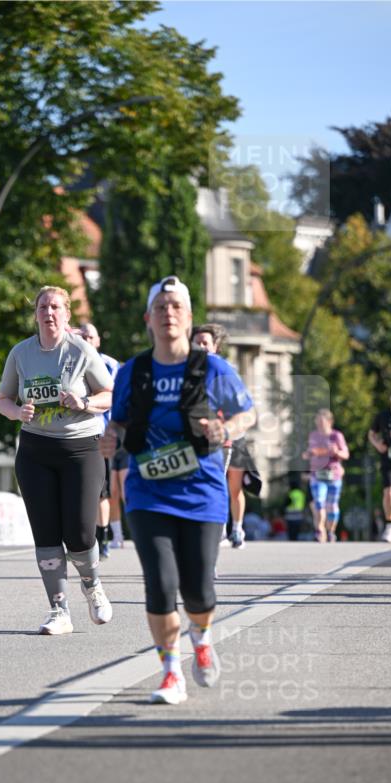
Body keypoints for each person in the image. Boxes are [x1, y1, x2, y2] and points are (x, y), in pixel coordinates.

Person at [102, 276, 254, 705]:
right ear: (148, 319)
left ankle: (201, 638)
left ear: (188, 319)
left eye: (176, 307)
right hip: (148, 491)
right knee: (160, 585)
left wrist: (225, 429)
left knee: (199, 592)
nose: (168, 313)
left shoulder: (212, 368)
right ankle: (171, 672)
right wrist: (111, 437)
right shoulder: (133, 372)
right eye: (161, 307)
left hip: (202, 492)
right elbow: (120, 422)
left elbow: (247, 413)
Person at [0, 285, 114, 635]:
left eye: (56, 307)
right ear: (35, 314)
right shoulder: (21, 353)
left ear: (66, 314)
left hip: (81, 449)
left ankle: (92, 585)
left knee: (79, 532)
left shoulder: (81, 350)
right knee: (46, 533)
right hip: (35, 451)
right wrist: (17, 411)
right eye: (43, 307)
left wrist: (84, 403)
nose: (49, 313)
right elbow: (3, 399)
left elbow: (109, 394)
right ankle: (59, 610)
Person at [191, 322, 254, 549]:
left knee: (231, 487)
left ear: (215, 346)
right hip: (196, 440)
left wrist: (226, 426)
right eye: (197, 343)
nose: (201, 347)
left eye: (205, 343)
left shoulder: (223, 369)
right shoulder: (184, 369)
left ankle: (233, 528)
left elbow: (243, 409)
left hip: (229, 438)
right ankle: (213, 532)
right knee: (205, 484)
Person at [78, 322, 119, 559]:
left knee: (102, 491)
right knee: (81, 491)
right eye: (82, 336)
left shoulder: (110, 365)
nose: (86, 340)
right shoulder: (69, 361)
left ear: (98, 341)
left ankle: (103, 537)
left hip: (102, 435)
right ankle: (84, 538)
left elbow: (117, 399)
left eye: (90, 337)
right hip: (76, 434)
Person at [302, 408, 350, 542]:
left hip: (333, 475)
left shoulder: (337, 436)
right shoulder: (313, 435)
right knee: (318, 502)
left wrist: (336, 452)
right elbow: (308, 453)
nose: (319, 424)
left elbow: (346, 454)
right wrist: (308, 454)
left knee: (332, 505)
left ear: (329, 422)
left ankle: (331, 531)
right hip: (317, 475)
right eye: (317, 421)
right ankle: (319, 530)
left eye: (321, 422)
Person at [368, 385, 391, 542]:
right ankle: (390, 525)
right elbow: (371, 433)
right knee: (389, 493)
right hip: (389, 463)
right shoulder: (383, 416)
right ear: (390, 398)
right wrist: (377, 444)